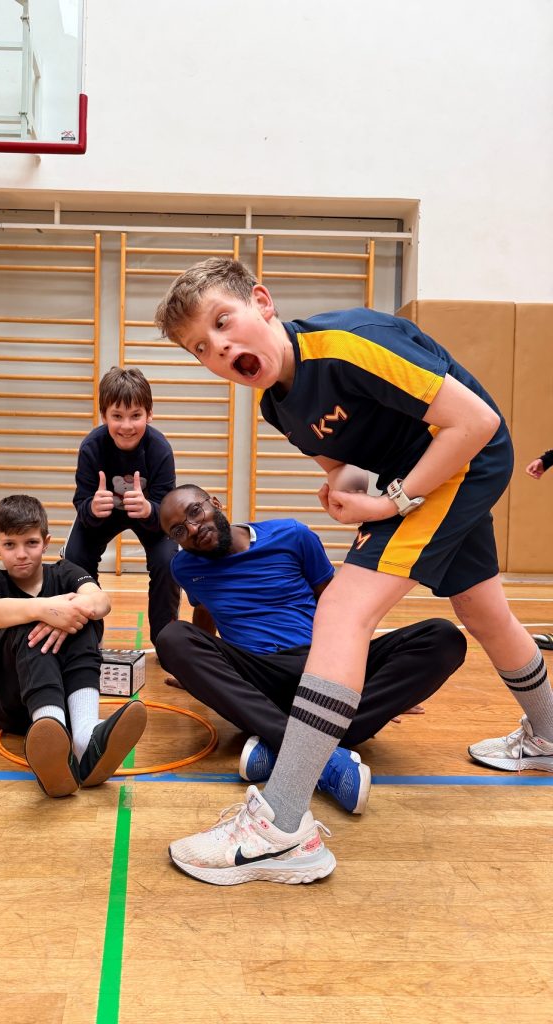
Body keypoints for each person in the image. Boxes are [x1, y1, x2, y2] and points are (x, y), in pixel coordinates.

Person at [153, 257, 553, 886]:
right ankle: (548, 735)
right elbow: (346, 466)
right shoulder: (276, 406)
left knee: (342, 609)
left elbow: (476, 422)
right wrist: (345, 490)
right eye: (200, 347)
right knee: (482, 611)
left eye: (223, 322)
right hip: (416, 476)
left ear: (263, 302)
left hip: (461, 461)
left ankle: (282, 827)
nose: (219, 348)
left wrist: (393, 503)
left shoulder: (348, 344)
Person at [156, 484, 467, 817]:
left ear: (215, 503)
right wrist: (194, 673)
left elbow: (339, 606)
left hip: (322, 664)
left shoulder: (291, 535)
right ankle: (320, 748)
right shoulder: (185, 567)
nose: (192, 529)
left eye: (195, 512)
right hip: (259, 678)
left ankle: (280, 742)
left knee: (443, 637)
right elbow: (204, 610)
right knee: (172, 638)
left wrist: (372, 683)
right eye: (179, 531)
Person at [0, 494, 147, 799]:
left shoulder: (65, 572)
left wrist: (68, 615)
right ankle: (49, 729)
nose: (21, 554)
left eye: (31, 543)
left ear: (46, 542)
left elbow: (101, 601)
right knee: (30, 623)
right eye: (10, 544)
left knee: (84, 618)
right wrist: (45, 609)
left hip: (64, 697)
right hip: (9, 702)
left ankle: (84, 737)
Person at [64, 366, 180, 646]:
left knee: (168, 562)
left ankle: (166, 643)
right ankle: (86, 640)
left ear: (149, 414)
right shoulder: (92, 447)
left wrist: (149, 510)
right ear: (103, 415)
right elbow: (81, 502)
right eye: (117, 416)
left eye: (135, 416)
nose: (126, 426)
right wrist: (92, 508)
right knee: (74, 559)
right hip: (103, 516)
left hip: (149, 516)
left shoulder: (160, 449)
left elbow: (168, 510)